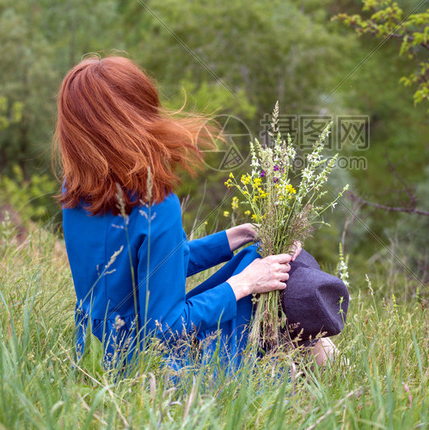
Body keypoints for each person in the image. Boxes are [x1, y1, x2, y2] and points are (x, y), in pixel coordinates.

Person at [53, 55, 296, 371]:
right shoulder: (155, 204)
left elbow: (147, 272)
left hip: (96, 355)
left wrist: (235, 237)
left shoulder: (75, 188)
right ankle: (293, 364)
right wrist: (244, 284)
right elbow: (165, 328)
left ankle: (295, 350)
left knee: (251, 253)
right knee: (254, 269)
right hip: (151, 371)